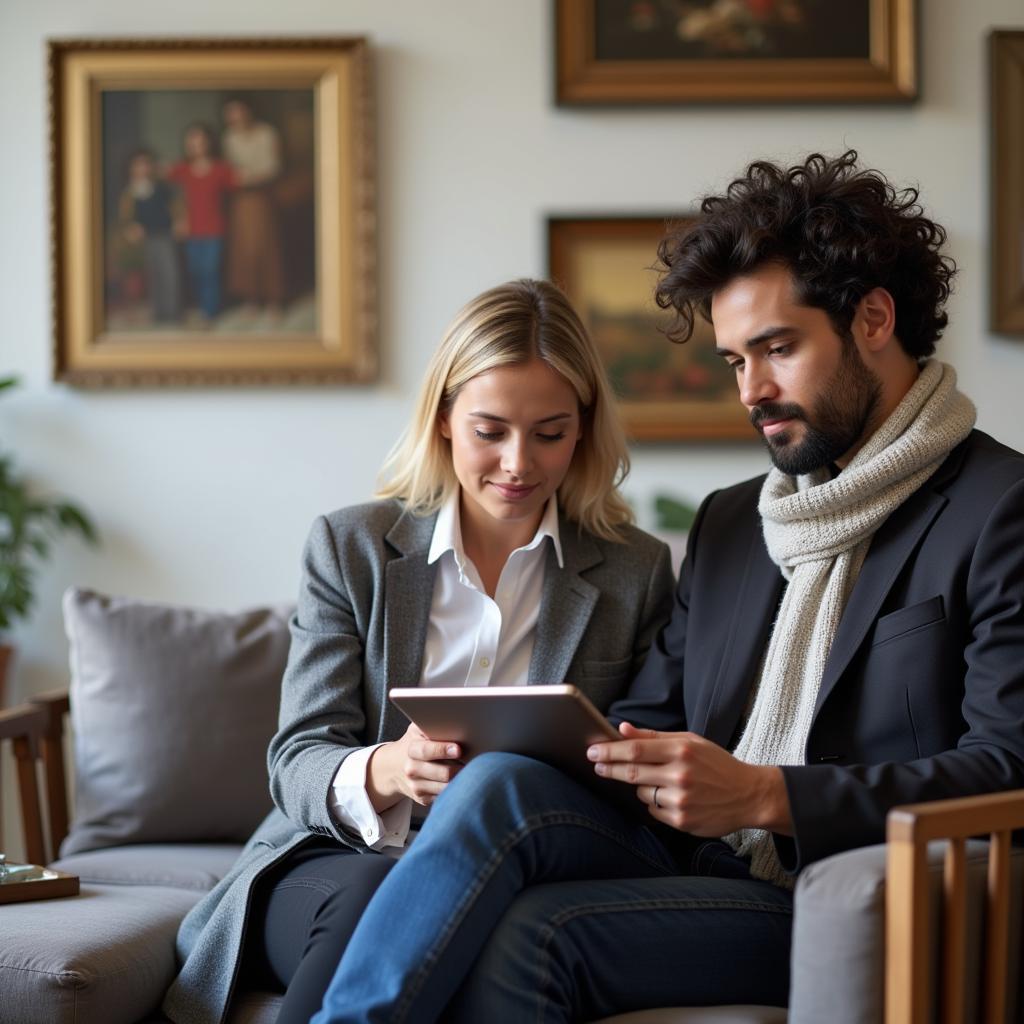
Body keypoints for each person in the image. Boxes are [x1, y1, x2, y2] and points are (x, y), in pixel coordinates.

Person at [310, 151, 1024, 1024]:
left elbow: (1009, 766)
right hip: (689, 858)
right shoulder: (734, 523)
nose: (751, 391)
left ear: (874, 318)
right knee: (496, 780)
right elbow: (655, 718)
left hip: (833, 885)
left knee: (527, 934)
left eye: (777, 348)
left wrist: (768, 795)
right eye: (733, 361)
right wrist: (585, 744)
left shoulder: (997, 510)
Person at [160, 278, 675, 1024]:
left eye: (550, 432)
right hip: (339, 862)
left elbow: (636, 779)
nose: (518, 463)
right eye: (489, 430)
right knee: (379, 900)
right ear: (442, 420)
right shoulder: (352, 548)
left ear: (585, 428)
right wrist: (386, 769)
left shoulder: (636, 571)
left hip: (515, 871)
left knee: (485, 927)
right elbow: (297, 755)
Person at [221, 97, 285, 322]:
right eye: (230, 114)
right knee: (244, 251)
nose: (234, 118)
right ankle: (251, 300)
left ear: (247, 111)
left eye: (237, 112)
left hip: (262, 197)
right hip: (240, 200)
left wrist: (253, 177)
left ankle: (273, 301)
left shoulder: (267, 133)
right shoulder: (229, 138)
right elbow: (229, 169)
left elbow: (274, 167)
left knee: (265, 247)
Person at [166, 124, 237, 324]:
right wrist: (179, 219)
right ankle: (199, 307)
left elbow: (238, 184)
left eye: (200, 142)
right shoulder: (182, 169)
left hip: (215, 229)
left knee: (211, 270)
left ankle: (210, 311)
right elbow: (167, 191)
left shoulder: (221, 169)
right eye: (192, 143)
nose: (196, 146)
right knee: (195, 270)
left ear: (208, 143)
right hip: (191, 230)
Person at [118, 148, 181, 324]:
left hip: (164, 235)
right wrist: (131, 228)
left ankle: (172, 312)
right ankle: (158, 313)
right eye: (138, 165)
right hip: (145, 240)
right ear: (131, 168)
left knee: (169, 273)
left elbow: (175, 205)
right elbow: (126, 217)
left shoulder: (160, 187)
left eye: (145, 164)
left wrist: (178, 222)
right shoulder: (129, 192)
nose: (142, 169)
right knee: (152, 276)